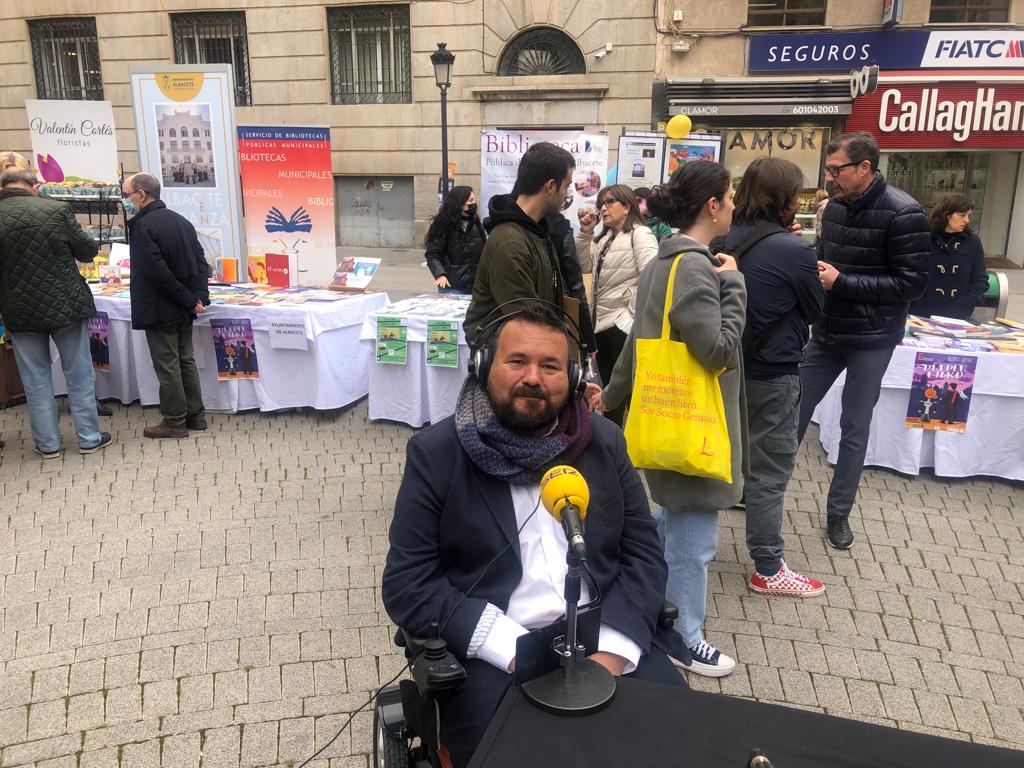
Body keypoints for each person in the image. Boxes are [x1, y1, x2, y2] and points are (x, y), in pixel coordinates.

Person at [382, 304, 685, 768]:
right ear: (483, 365)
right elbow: (407, 584)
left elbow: (644, 555)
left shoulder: (604, 442)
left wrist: (613, 651)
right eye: (517, 361)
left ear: (575, 376)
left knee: (685, 743)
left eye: (550, 365)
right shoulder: (436, 455)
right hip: (492, 652)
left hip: (604, 636)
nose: (533, 377)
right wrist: (509, 648)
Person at [596, 160, 747, 678]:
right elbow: (719, 350)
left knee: (668, 526)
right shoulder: (700, 268)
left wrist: (613, 397)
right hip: (695, 428)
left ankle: (651, 612)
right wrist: (735, 286)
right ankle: (684, 637)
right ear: (711, 205)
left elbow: (638, 344)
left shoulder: (663, 262)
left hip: (665, 416)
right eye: (729, 196)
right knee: (693, 543)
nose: (734, 204)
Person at [796, 132, 930, 550]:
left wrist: (843, 282)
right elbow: (822, 257)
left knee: (855, 425)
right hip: (827, 330)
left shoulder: (905, 213)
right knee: (790, 409)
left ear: (865, 169)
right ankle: (761, 490)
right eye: (828, 169)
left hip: (872, 339)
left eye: (836, 169)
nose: (829, 176)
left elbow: (911, 285)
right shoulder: (832, 208)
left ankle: (839, 513)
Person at [717, 157, 825, 598]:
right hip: (773, 375)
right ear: (783, 198)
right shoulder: (796, 251)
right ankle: (767, 566)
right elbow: (816, 309)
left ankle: (685, 550)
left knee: (715, 463)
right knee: (770, 470)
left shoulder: (720, 239)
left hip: (723, 370)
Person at [0, 167, 113, 458]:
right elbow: (87, 251)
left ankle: (48, 445)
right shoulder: (55, 210)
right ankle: (89, 438)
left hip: (19, 307)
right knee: (78, 373)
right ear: (33, 185)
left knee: (35, 379)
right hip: (65, 304)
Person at [123, 172, 210, 439]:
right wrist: (197, 297)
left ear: (141, 194)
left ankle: (174, 421)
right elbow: (201, 262)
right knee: (185, 360)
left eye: (127, 195)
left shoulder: (143, 227)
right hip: (182, 305)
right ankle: (196, 416)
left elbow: (157, 272)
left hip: (161, 306)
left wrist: (191, 298)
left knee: (169, 364)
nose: (125, 201)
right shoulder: (181, 221)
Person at [463, 142, 575, 340]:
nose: (567, 194)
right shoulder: (510, 242)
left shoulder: (536, 231)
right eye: (566, 186)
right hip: (511, 359)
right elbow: (527, 323)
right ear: (550, 186)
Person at [576, 184, 658, 426]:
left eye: (610, 202)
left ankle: (628, 451)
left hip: (621, 327)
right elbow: (584, 265)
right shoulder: (606, 237)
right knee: (610, 395)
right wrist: (586, 233)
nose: (603, 208)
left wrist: (628, 315)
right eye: (601, 203)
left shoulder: (640, 234)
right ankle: (612, 445)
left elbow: (650, 276)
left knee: (626, 393)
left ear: (627, 206)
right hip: (601, 325)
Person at [909, 194, 988, 321]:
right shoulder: (923, 238)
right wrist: (916, 302)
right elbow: (910, 273)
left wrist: (967, 306)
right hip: (921, 315)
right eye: (962, 215)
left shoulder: (973, 242)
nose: (967, 220)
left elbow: (980, 280)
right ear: (947, 214)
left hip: (958, 316)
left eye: (969, 215)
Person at [425, 186, 487, 294]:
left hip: (475, 287)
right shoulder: (442, 225)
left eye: (474, 200)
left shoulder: (477, 224)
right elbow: (432, 254)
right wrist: (440, 275)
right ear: (459, 204)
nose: (474, 204)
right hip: (452, 287)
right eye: (470, 201)